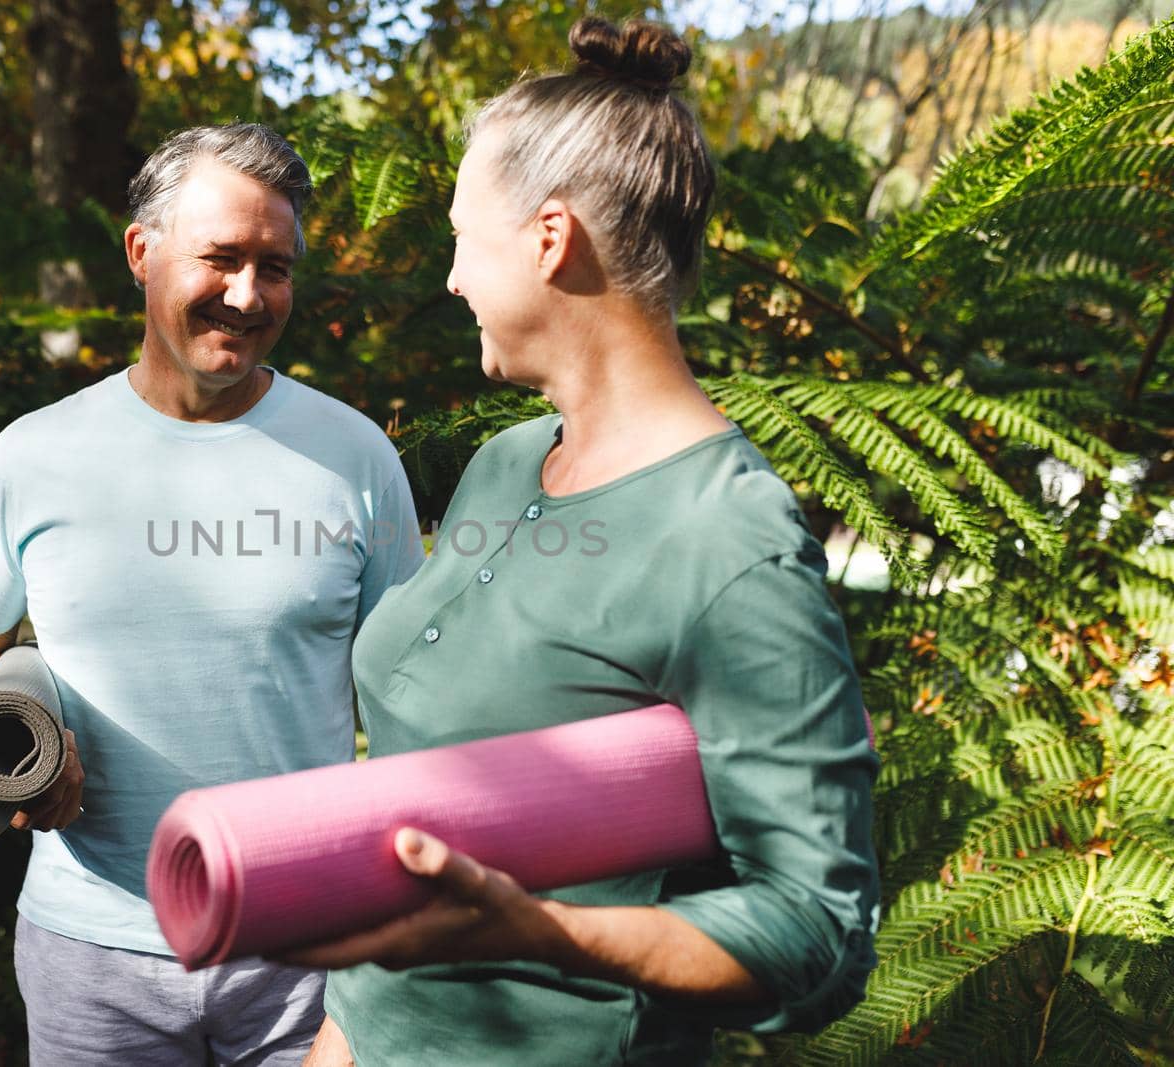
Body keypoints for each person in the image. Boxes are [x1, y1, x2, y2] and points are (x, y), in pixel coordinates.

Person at [288, 17, 880, 1067]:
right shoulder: (505, 463)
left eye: (464, 236)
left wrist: (544, 931)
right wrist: (340, 1035)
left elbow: (819, 933)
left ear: (550, 238)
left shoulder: (728, 543)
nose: (451, 277)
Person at [0, 123, 425, 1066]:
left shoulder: (356, 455)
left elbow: (418, 697)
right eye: (221, 258)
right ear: (140, 253)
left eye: (274, 266)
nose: (248, 295)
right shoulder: (31, 457)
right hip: (89, 955)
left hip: (304, 955)